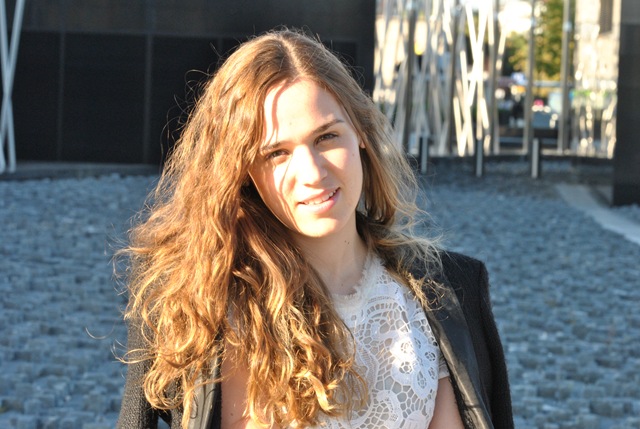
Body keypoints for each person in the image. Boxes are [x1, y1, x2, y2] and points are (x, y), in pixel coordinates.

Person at [116, 28, 513, 429]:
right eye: (276, 153)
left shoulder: (449, 291)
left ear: (360, 133)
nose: (312, 173)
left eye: (326, 137)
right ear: (242, 171)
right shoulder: (191, 295)